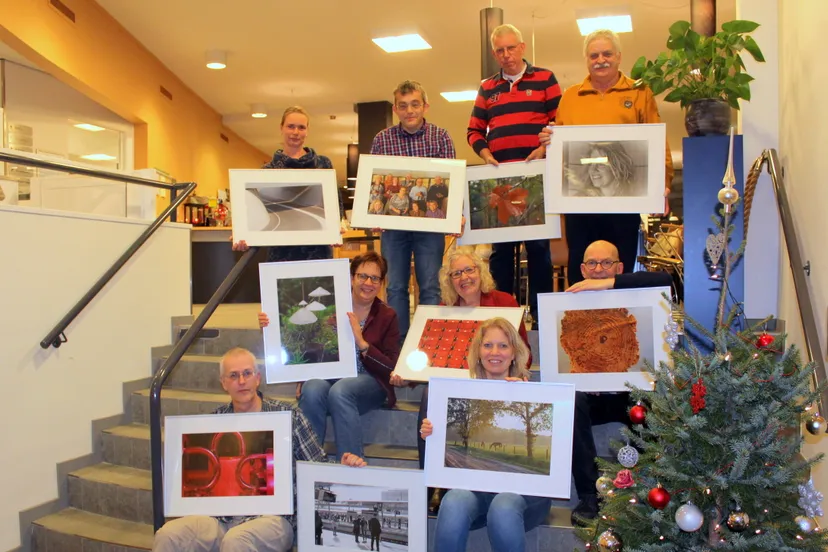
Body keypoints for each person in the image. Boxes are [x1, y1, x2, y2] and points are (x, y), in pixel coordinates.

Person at [153, 347, 366, 552]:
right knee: (168, 535)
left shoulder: (288, 417)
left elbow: (316, 466)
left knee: (237, 541)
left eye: (247, 373)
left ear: (258, 378)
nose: (242, 381)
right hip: (219, 518)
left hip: (272, 519)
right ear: (223, 383)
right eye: (233, 375)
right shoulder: (213, 423)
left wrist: (342, 467)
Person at [538, 29, 674, 286]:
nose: (600, 60)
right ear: (586, 60)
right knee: (581, 265)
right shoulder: (570, 97)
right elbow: (562, 150)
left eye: (607, 54)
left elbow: (658, 144)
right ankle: (581, 311)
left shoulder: (639, 92)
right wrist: (549, 140)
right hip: (579, 203)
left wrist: (662, 185)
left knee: (620, 267)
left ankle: (620, 311)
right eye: (594, 56)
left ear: (619, 57)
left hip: (624, 201)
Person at [564, 240, 672, 524]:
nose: (598, 269)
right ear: (582, 269)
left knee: (648, 401)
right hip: (592, 398)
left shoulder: (636, 293)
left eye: (606, 263)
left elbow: (665, 278)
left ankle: (646, 491)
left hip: (629, 395)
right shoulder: (569, 301)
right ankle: (589, 495)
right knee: (570, 403)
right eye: (592, 263)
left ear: (620, 268)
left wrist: (609, 285)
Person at [421, 318, 551, 552]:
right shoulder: (460, 395)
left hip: (525, 495)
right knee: (453, 501)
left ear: (514, 352)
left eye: (503, 346)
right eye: (488, 345)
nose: (495, 352)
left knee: (503, 506)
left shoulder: (535, 395)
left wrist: (524, 398)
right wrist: (434, 435)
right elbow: (454, 452)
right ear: (478, 352)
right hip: (476, 491)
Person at [258, 252, 400, 459]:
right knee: (312, 388)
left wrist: (363, 344)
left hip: (370, 380)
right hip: (331, 375)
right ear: (351, 278)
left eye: (375, 278)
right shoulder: (332, 306)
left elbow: (390, 367)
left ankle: (350, 466)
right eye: (362, 276)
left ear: (382, 283)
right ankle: (308, 463)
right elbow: (310, 344)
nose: (368, 283)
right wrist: (271, 326)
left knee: (341, 391)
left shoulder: (387, 315)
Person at [466, 24, 562, 323]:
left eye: (511, 48)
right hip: (501, 184)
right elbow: (473, 131)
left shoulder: (545, 78)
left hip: (536, 180)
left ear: (522, 47)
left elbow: (561, 122)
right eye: (500, 50)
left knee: (539, 252)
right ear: (494, 53)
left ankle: (542, 319)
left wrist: (544, 149)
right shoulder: (487, 88)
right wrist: (486, 155)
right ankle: (503, 319)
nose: (506, 55)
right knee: (502, 255)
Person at [370, 80, 457, 341]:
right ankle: (398, 345)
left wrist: (455, 214)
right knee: (395, 287)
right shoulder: (382, 140)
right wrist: (372, 214)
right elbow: (374, 186)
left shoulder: (441, 137)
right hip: (393, 228)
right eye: (403, 105)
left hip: (430, 226)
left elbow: (451, 184)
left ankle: (429, 341)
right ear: (395, 109)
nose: (409, 110)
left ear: (425, 106)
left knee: (430, 285)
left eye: (415, 104)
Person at [233, 106, 342, 261]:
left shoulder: (323, 164)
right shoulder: (267, 171)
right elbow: (256, 217)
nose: (296, 132)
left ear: (307, 131)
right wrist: (244, 234)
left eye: (301, 127)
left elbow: (336, 206)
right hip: (281, 255)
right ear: (281, 128)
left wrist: (335, 228)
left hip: (318, 253)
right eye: (291, 126)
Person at [567, 142, 641, 197]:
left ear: (616, 167)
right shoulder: (579, 199)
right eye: (590, 164)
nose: (593, 170)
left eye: (600, 164)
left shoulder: (634, 196)